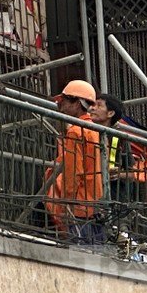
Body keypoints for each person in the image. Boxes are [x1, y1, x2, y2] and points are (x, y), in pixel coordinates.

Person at [41, 79, 105, 245]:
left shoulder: (76, 132)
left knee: (81, 255)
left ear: (77, 103)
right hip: (93, 205)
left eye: (64, 100)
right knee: (95, 260)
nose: (60, 104)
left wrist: (67, 203)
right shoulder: (94, 130)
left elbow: (73, 173)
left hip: (78, 207)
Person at [92, 92, 147, 192]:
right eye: (93, 105)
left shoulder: (119, 138)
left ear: (110, 113)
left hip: (114, 195)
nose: (93, 108)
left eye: (99, 105)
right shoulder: (86, 132)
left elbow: (132, 174)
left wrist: (118, 174)